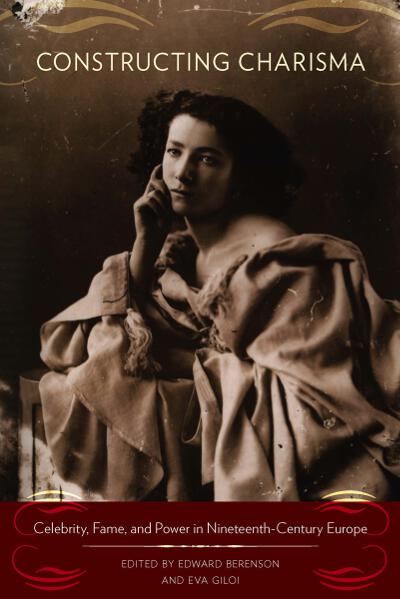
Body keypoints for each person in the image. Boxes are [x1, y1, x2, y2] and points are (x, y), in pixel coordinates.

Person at [39, 90, 400, 501]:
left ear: (241, 175)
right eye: (174, 152)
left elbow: (303, 392)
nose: (182, 174)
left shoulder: (270, 252)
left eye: (208, 160)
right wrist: (145, 244)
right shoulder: (183, 250)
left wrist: (186, 362)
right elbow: (97, 335)